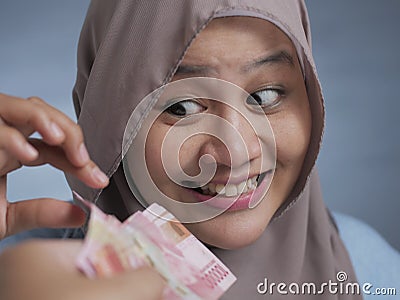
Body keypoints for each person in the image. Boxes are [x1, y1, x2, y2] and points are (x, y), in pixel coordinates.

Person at [0, 1, 398, 299]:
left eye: (266, 95)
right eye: (182, 107)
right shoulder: (18, 274)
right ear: (107, 119)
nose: (237, 152)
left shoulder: (370, 271)